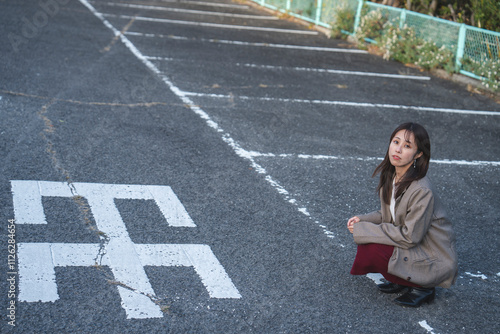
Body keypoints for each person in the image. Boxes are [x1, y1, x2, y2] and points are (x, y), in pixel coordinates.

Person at [347, 122, 458, 307]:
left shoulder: (422, 190)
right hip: (415, 247)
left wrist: (364, 230)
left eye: (407, 146)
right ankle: (401, 279)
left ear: (419, 154)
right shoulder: (393, 177)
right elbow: (389, 214)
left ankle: (423, 287)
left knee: (372, 247)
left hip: (433, 257)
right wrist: (363, 219)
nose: (398, 149)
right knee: (370, 240)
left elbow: (410, 236)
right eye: (395, 142)